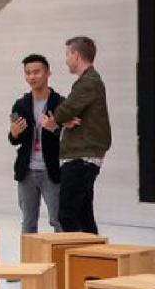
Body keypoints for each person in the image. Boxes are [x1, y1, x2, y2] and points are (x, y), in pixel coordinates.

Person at [40, 36, 112, 234]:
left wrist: (57, 120)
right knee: (83, 213)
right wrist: (64, 120)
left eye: (67, 54)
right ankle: (93, 259)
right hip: (83, 156)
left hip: (81, 157)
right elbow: (69, 112)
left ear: (76, 55)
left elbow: (65, 109)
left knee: (66, 214)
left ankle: (79, 258)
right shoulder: (89, 81)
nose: (65, 60)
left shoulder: (88, 82)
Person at [8, 54, 65, 233]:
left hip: (53, 170)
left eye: (36, 72)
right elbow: (13, 139)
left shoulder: (61, 103)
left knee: (59, 221)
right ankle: (28, 261)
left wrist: (54, 128)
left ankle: (62, 260)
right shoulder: (20, 104)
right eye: (28, 73)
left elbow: (68, 136)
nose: (32, 77)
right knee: (28, 223)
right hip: (27, 171)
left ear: (48, 73)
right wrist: (13, 133)